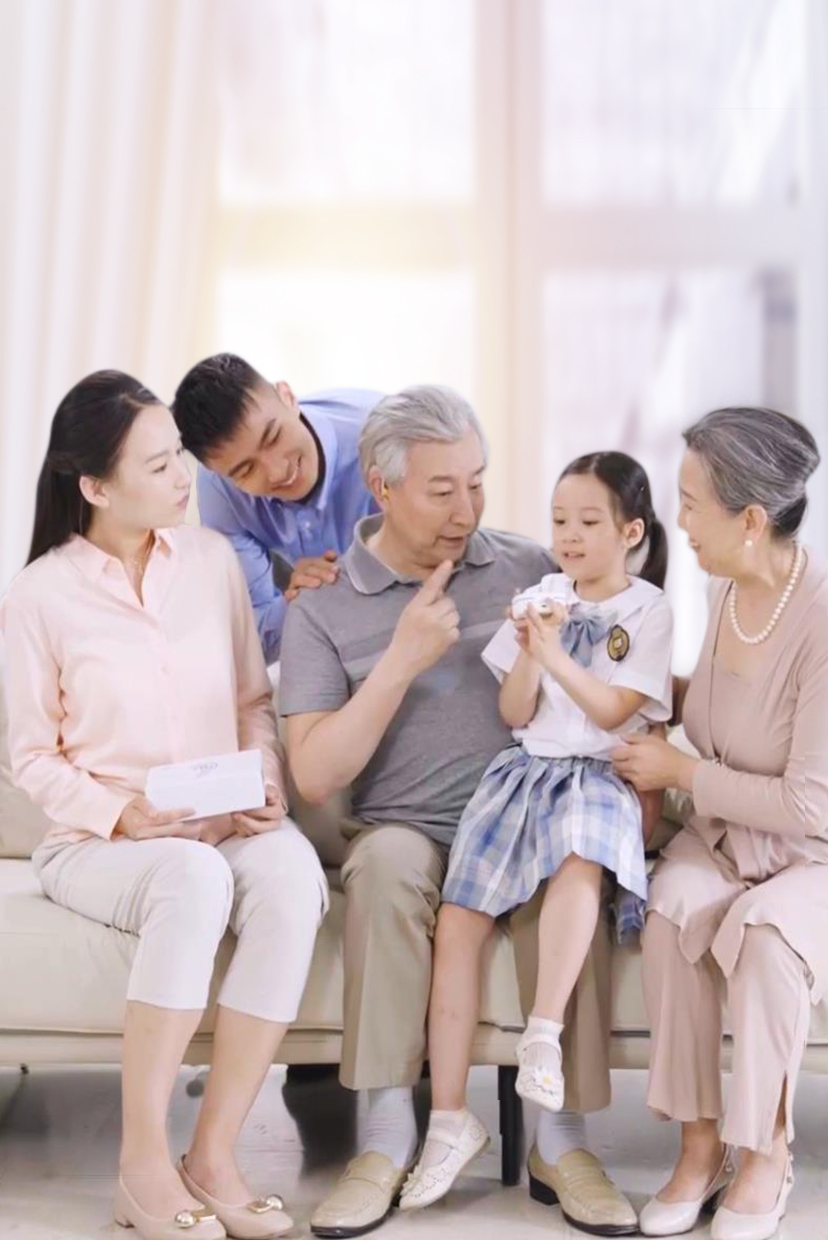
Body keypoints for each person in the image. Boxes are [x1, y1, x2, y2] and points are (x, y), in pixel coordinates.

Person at [279, 387, 652, 1239]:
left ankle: (562, 1142)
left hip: (524, 814)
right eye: (442, 490)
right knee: (383, 868)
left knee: (572, 858)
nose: (467, 509)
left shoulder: (532, 569)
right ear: (382, 487)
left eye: (477, 483)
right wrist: (401, 659)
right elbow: (315, 774)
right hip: (402, 827)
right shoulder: (325, 606)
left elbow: (626, 640)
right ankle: (385, 1139)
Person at [2, 372, 328, 1240]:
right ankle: (142, 1166)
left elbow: (254, 700)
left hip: (222, 823)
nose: (185, 478)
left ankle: (212, 1156)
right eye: (158, 466)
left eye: (179, 457)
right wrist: (124, 817)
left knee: (292, 876)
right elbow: (31, 757)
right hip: (100, 842)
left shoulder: (213, 562)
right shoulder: (39, 596)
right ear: (96, 487)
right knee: (190, 876)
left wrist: (263, 778)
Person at [400, 451, 672, 1220]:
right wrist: (528, 651)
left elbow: (614, 711)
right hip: (526, 772)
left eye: (588, 522)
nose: (569, 537)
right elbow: (516, 713)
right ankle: (449, 1120)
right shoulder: (539, 598)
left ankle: (543, 1034)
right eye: (559, 521)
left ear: (630, 532)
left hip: (599, 776)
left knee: (581, 859)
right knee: (459, 919)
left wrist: (554, 652)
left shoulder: (647, 611)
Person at [611, 407, 827, 1240]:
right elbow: (713, 712)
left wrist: (680, 775)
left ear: (751, 519)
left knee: (768, 939)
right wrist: (629, 688)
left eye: (693, 503)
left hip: (811, 855)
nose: (681, 521)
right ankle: (700, 1147)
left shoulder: (821, 620)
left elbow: (809, 804)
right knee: (671, 913)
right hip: (725, 837)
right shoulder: (721, 588)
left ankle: (766, 1152)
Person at [172, 353, 381, 663]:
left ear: (288, 396)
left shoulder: (386, 437)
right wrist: (299, 600)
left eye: (273, 437)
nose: (277, 472)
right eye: (246, 471)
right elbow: (250, 638)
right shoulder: (219, 488)